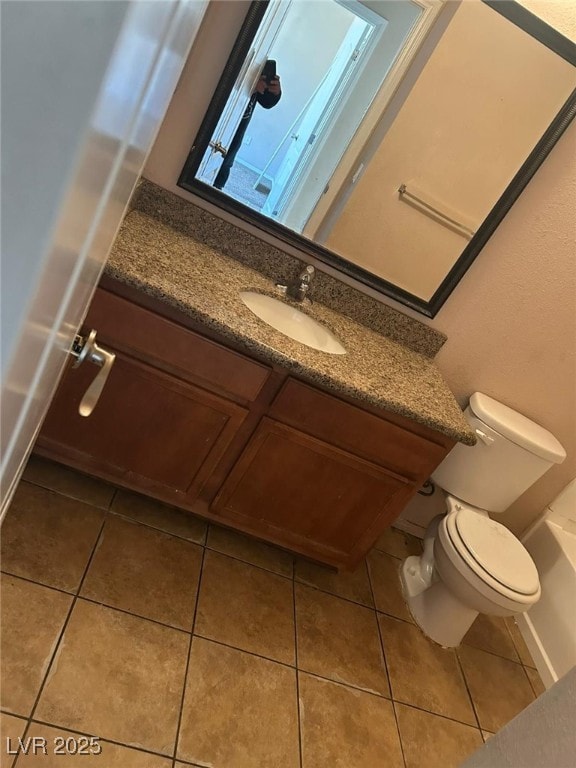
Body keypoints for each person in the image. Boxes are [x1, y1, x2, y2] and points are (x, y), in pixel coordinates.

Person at [213, 68, 281, 190]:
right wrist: (250, 83)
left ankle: (218, 186)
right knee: (213, 156)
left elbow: (267, 103)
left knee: (227, 158)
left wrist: (276, 93)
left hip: (239, 127)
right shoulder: (245, 66)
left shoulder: (259, 66)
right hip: (223, 122)